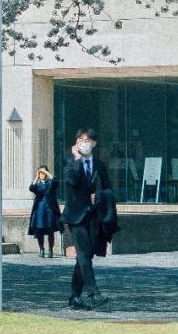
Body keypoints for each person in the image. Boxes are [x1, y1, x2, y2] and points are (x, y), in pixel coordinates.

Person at [63, 128, 110, 310]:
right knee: (83, 254)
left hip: (93, 216)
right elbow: (72, 180)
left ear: (94, 143)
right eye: (81, 139)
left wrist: (99, 195)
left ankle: (74, 297)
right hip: (75, 217)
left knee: (85, 256)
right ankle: (93, 294)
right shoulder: (70, 162)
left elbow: (108, 188)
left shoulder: (99, 165)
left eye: (88, 140)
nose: (85, 143)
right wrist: (76, 158)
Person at [28, 164, 61, 258]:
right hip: (39, 210)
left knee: (51, 231)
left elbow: (55, 181)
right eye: (41, 172)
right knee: (39, 231)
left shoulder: (50, 184)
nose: (42, 174)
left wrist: (46, 172)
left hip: (49, 209)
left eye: (44, 172)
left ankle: (50, 250)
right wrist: (37, 176)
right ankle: (41, 249)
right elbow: (31, 188)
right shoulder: (37, 184)